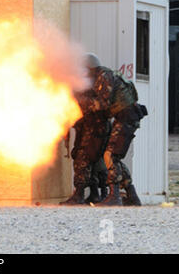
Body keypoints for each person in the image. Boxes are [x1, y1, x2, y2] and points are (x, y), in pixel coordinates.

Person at [77, 53, 147, 206]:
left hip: (126, 117)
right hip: (126, 116)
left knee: (110, 155)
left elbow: (103, 104)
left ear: (90, 69)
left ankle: (114, 196)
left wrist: (82, 102)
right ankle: (132, 195)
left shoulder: (104, 76)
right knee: (113, 156)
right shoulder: (105, 75)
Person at [60, 91, 111, 205]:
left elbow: (78, 119)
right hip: (98, 128)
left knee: (82, 159)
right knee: (93, 160)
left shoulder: (82, 97)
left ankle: (79, 195)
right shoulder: (91, 90)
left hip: (93, 128)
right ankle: (96, 194)